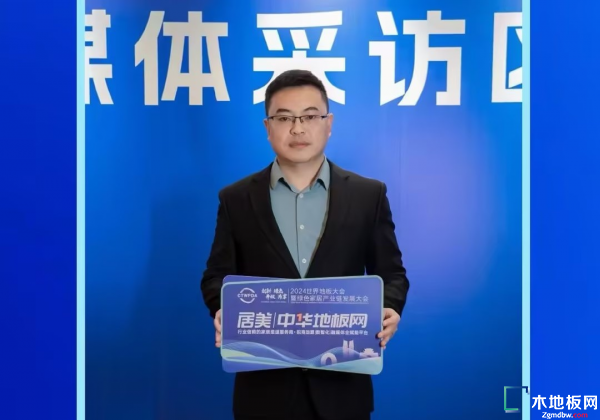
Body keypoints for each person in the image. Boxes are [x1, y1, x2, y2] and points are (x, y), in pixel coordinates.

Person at [200, 69, 409, 420]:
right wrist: (223, 309)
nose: (298, 128)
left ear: (329, 123)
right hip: (263, 390)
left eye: (310, 116)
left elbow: (392, 273)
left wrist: (389, 308)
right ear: (268, 127)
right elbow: (215, 276)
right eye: (284, 118)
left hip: (343, 387)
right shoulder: (236, 199)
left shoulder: (368, 195)